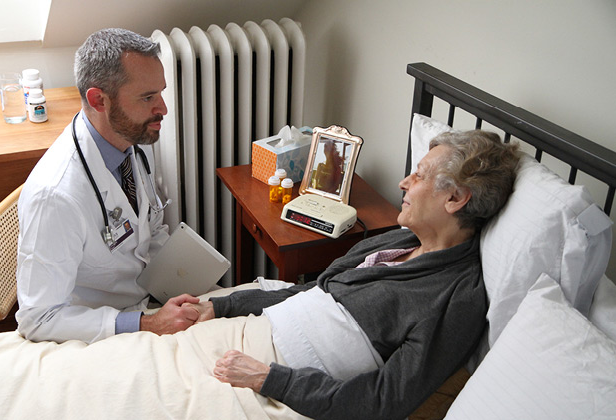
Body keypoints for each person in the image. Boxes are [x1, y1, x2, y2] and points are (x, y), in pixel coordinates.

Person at [186, 130, 521, 419]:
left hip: (279, 386)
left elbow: (384, 401)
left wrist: (267, 379)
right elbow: (315, 290)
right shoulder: (399, 239)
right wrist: (225, 306)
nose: (403, 183)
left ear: (456, 198)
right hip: (253, 342)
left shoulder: (457, 297)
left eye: (419, 176)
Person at [15, 28, 200, 344]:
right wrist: (146, 324)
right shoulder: (55, 196)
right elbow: (39, 319)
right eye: (147, 97)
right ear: (98, 100)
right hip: (95, 331)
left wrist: (187, 281)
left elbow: (148, 226)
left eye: (160, 92)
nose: (163, 109)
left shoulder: (131, 141)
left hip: (145, 300)